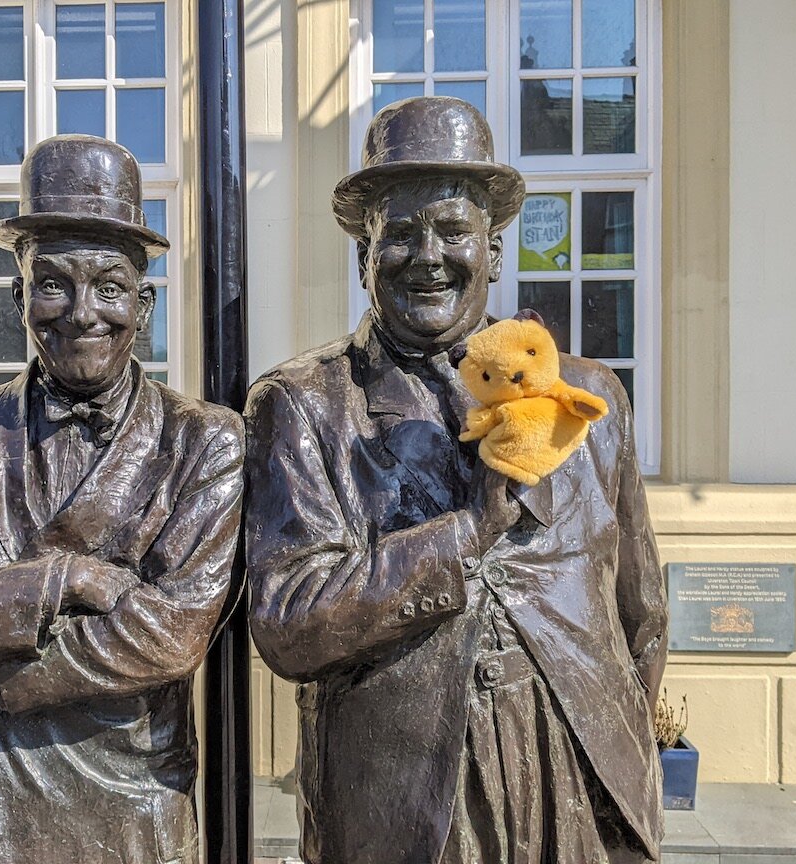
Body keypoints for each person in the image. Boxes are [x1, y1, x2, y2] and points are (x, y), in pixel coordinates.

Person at [244, 97, 667, 864]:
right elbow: (288, 622)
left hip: (575, 768)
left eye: (451, 230)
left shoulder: (591, 395)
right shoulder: (303, 404)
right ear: (363, 258)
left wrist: (623, 748)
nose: (426, 255)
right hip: (406, 799)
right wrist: (465, 534)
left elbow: (642, 610)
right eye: (398, 234)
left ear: (495, 251)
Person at [0, 135, 243, 864]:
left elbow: (172, 633)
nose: (81, 312)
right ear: (20, 298)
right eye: (54, 283)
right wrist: (58, 581)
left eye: (109, 286)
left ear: (144, 304)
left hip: (127, 800)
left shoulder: (206, 443)